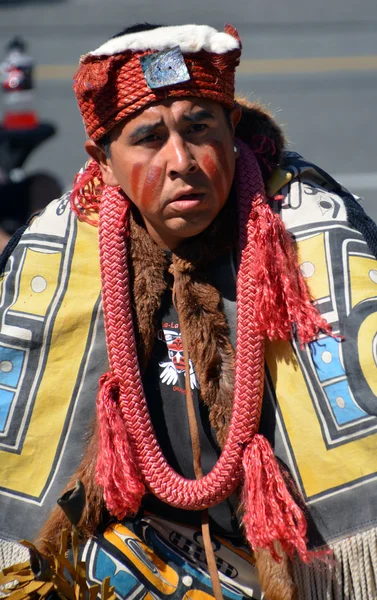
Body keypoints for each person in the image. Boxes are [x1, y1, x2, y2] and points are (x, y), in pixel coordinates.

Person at [0, 22, 377, 600]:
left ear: (233, 131)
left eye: (199, 129)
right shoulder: (54, 257)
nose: (182, 160)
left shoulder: (313, 240)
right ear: (102, 160)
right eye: (150, 138)